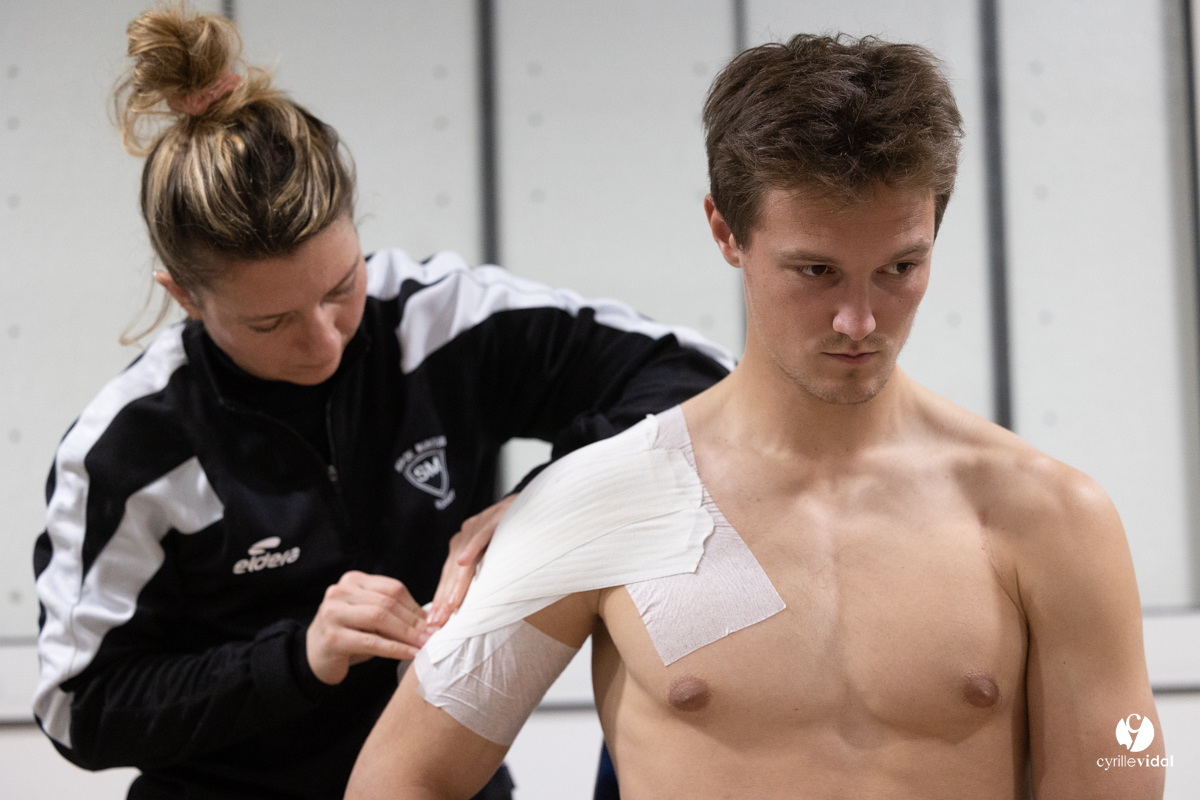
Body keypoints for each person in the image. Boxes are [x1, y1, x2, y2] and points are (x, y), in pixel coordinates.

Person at [345, 33, 1166, 799]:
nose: (859, 320)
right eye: (814, 270)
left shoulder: (1048, 517)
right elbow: (401, 779)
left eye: (900, 267)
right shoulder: (601, 501)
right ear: (725, 231)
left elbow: (1124, 773)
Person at [30, 7, 732, 800]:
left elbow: (700, 374)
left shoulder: (442, 318)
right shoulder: (132, 446)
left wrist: (552, 497)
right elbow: (79, 708)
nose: (325, 341)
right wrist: (298, 658)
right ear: (185, 297)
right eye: (271, 322)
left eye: (341, 287)